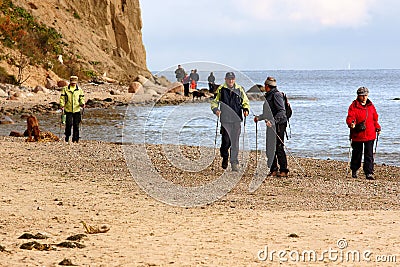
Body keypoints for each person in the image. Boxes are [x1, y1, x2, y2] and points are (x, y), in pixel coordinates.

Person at [211, 72, 250, 171]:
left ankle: (234, 163)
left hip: (237, 119)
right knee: (226, 141)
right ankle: (224, 156)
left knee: (235, 142)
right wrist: (216, 110)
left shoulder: (239, 89)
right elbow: (214, 102)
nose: (230, 80)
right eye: (229, 79)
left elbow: (245, 101)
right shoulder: (221, 89)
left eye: (232, 79)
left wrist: (246, 109)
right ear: (225, 79)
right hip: (225, 119)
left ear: (234, 79)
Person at [254, 77, 289, 177]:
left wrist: (273, 122)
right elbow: (268, 113)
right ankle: (273, 169)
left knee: (278, 147)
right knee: (269, 148)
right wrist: (259, 117)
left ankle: (284, 170)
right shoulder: (268, 96)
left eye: (265, 85)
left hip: (279, 125)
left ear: (267, 86)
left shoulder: (276, 95)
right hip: (271, 124)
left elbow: (282, 112)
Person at [346, 87, 381, 180]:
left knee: (369, 154)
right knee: (357, 153)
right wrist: (351, 123)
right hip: (358, 134)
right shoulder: (353, 106)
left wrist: (377, 127)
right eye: (362, 96)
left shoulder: (371, 106)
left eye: (366, 95)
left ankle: (369, 173)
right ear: (358, 96)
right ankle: (354, 170)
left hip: (370, 133)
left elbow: (375, 118)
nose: (364, 97)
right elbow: (350, 117)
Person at [60, 75, 85, 143]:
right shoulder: (65, 89)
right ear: (70, 82)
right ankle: (67, 137)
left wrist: (82, 103)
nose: (73, 83)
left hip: (77, 110)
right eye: (72, 82)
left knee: (76, 125)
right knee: (69, 124)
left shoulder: (79, 90)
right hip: (68, 110)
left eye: (74, 82)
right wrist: (62, 105)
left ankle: (75, 139)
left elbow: (81, 98)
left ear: (76, 82)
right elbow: (62, 98)